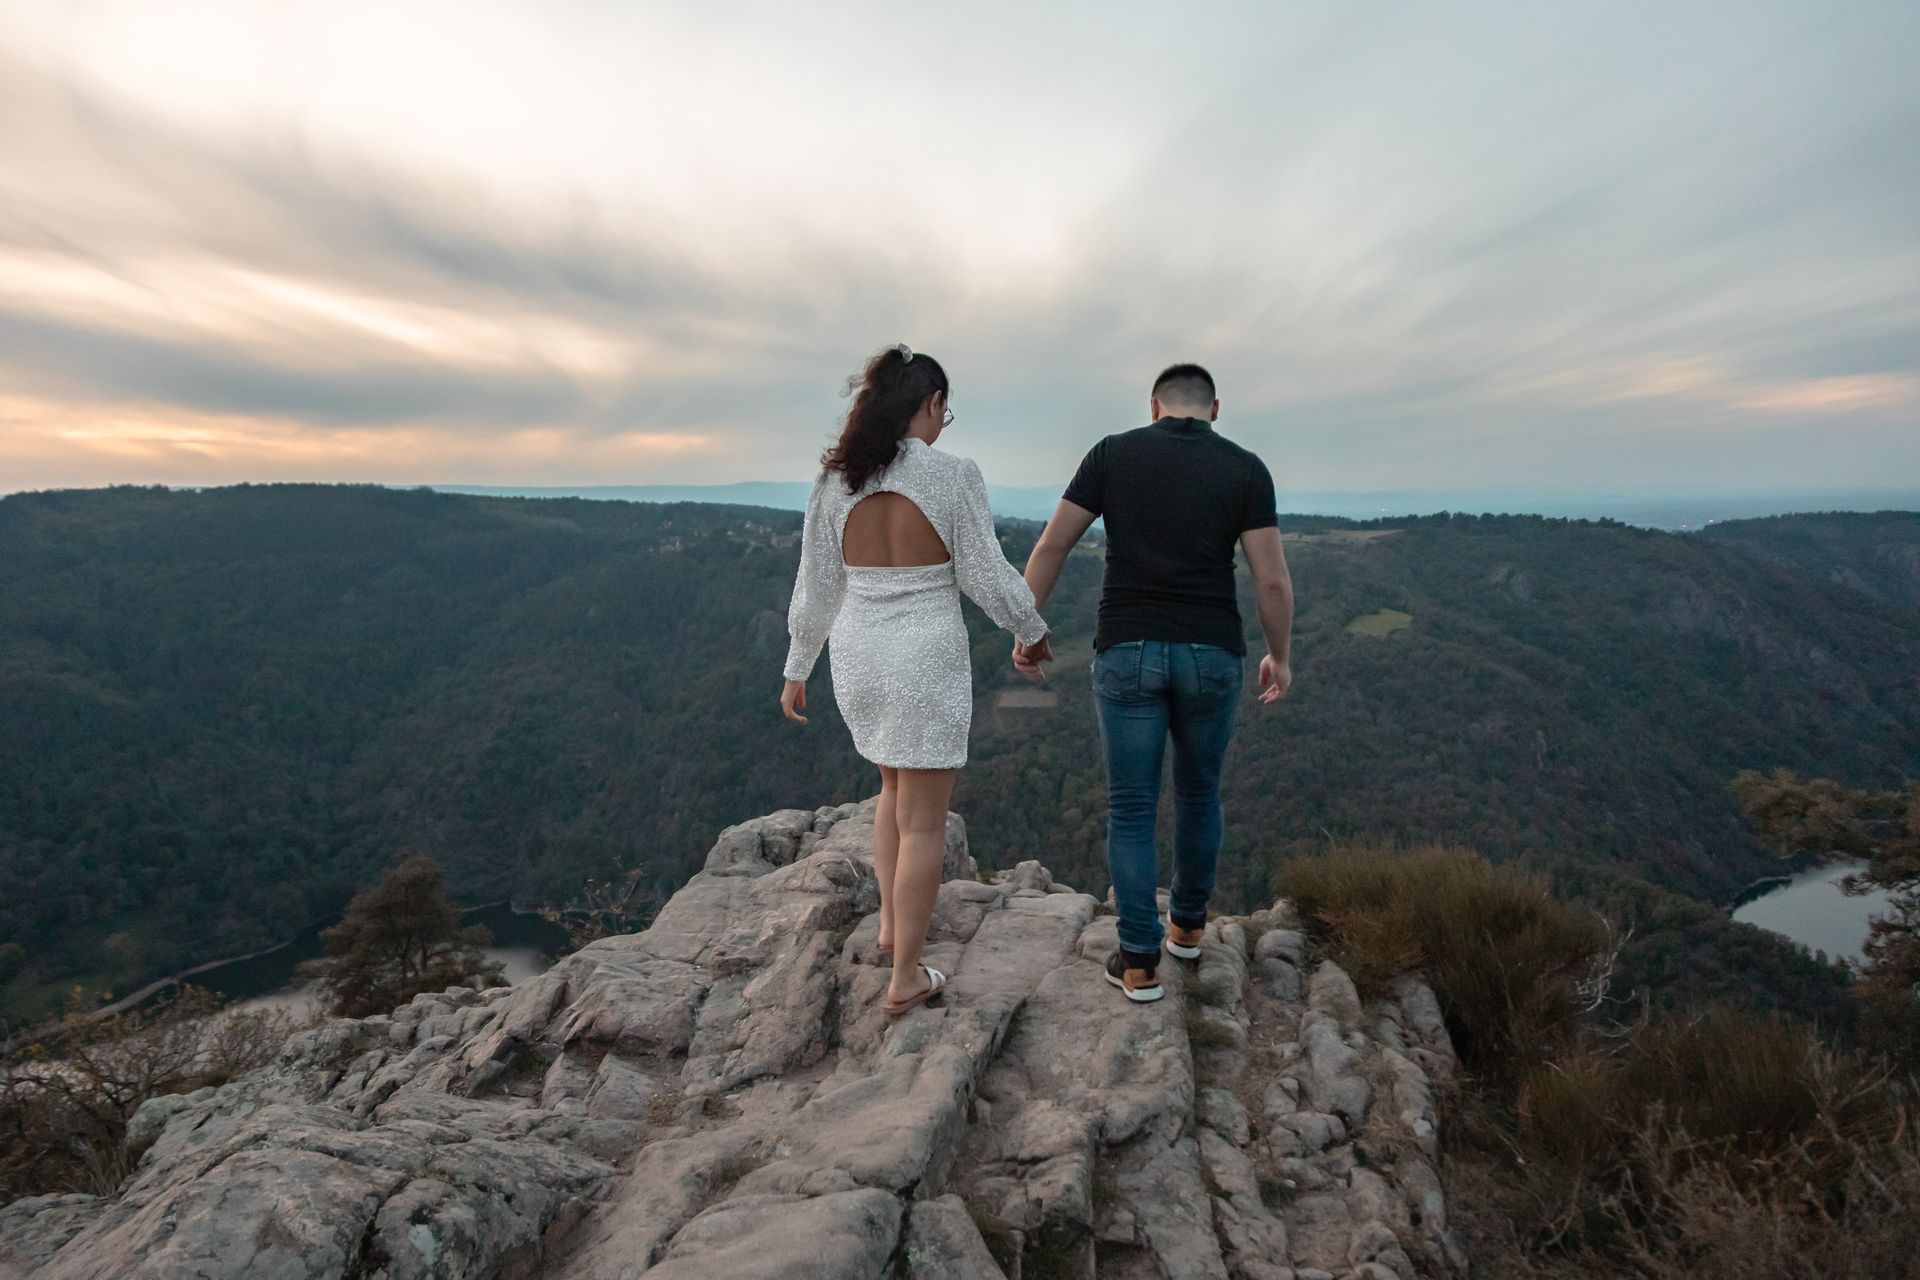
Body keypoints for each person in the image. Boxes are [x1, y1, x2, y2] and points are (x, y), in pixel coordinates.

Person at [781, 343, 1052, 1016]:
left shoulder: (837, 480)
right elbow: (986, 574)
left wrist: (796, 664)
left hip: (859, 654)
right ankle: (906, 975)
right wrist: (1031, 630)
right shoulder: (952, 475)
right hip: (924, 654)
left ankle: (887, 930)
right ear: (930, 404)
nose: (943, 423)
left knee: (890, 789)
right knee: (925, 821)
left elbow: (815, 587)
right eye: (944, 410)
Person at [1015, 363, 1294, 1003]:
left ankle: (1139, 963)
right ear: (1214, 410)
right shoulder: (1246, 469)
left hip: (1128, 650)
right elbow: (1272, 581)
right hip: (1211, 653)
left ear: (1153, 407)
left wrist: (1026, 628)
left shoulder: (1112, 455)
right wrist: (1280, 655)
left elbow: (1053, 545)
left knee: (1132, 808)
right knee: (1200, 793)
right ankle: (1188, 930)